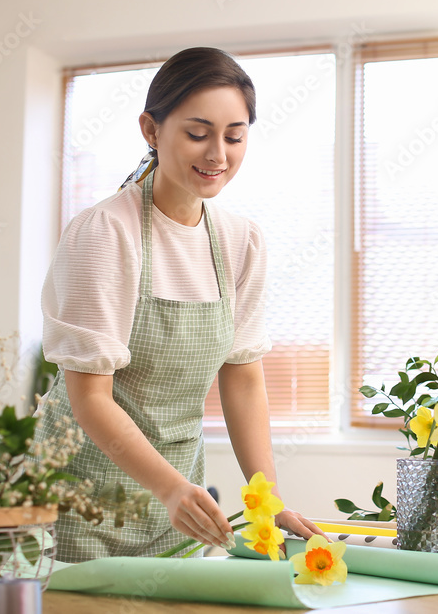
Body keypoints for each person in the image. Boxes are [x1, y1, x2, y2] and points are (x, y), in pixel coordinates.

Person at [33, 47, 324, 562]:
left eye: (234, 136)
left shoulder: (241, 241)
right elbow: (90, 398)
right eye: (197, 133)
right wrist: (168, 489)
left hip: (180, 512)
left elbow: (243, 379)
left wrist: (268, 503)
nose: (217, 154)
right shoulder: (105, 234)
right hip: (79, 503)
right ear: (151, 130)